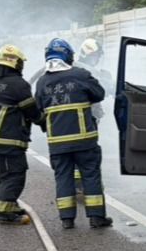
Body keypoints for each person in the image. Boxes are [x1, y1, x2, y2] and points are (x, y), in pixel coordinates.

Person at [34, 38, 113, 229]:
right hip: (84, 139)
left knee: (63, 177)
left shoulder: (43, 81)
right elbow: (99, 94)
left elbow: (37, 110)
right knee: (91, 175)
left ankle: (67, 220)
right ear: (68, 56)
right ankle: (96, 218)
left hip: (57, 142)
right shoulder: (81, 74)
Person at [0, 44, 42, 225]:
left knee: (1, 175)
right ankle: (5, 212)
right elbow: (32, 112)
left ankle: (9, 204)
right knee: (14, 174)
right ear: (16, 63)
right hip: (6, 140)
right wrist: (45, 121)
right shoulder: (18, 85)